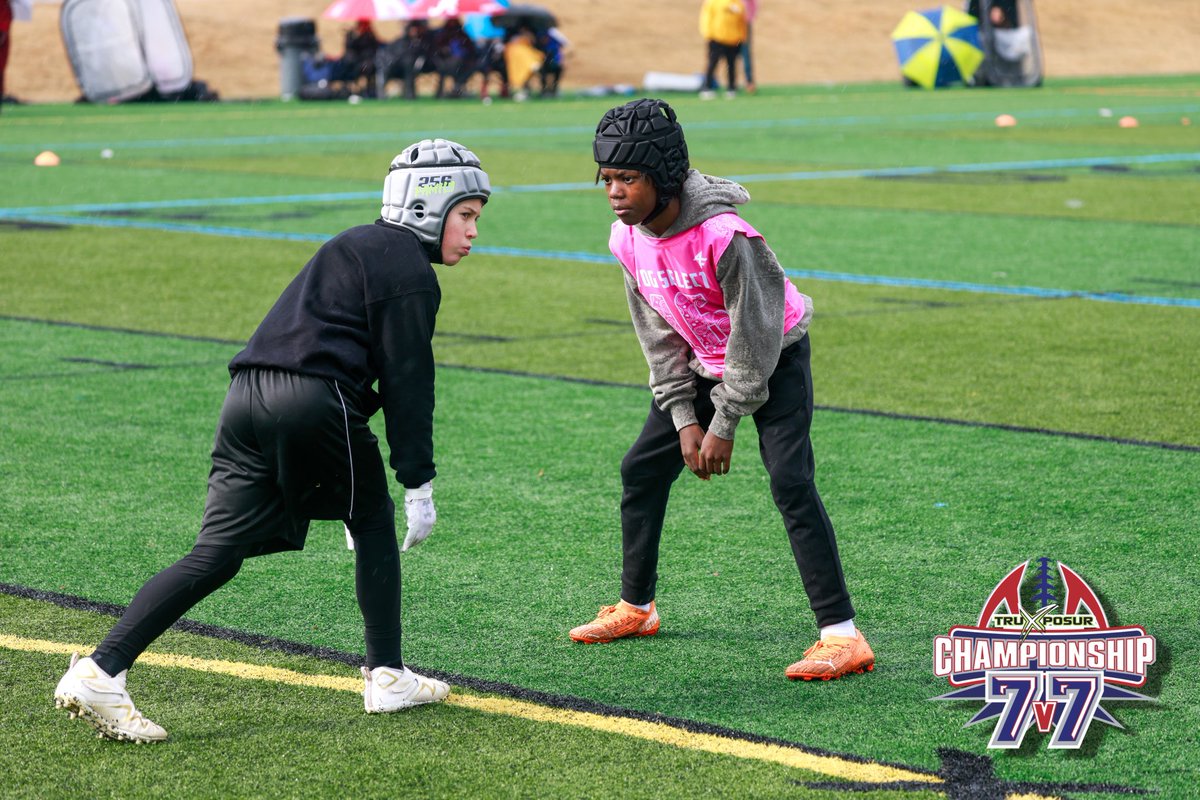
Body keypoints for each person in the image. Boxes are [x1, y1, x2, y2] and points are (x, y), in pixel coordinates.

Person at [53, 139, 491, 743]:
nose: (472, 233)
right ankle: (387, 676)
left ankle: (101, 669)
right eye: (467, 215)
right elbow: (408, 381)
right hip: (313, 399)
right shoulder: (410, 272)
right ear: (427, 207)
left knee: (217, 551)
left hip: (246, 397)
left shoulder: (352, 242)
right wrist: (418, 480)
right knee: (373, 517)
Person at [570, 99, 874, 682]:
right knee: (641, 468)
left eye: (628, 179)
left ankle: (842, 635)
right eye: (607, 179)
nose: (614, 191)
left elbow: (756, 337)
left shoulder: (726, 236)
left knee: (790, 480)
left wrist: (723, 423)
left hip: (773, 360)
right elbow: (658, 333)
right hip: (701, 366)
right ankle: (637, 607)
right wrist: (685, 417)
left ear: (664, 179)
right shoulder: (626, 239)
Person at [698, 0, 747, 99]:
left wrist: (742, 36)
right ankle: (707, 87)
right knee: (713, 63)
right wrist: (708, 34)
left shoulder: (737, 4)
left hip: (733, 39)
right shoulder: (713, 2)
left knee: (731, 64)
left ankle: (731, 88)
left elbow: (741, 22)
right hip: (717, 38)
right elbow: (706, 18)